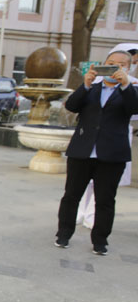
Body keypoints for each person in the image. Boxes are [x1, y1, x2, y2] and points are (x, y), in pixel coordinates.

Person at [55, 51, 137, 256]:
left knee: (105, 200)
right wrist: (85, 84)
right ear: (103, 64)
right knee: (71, 196)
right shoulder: (91, 88)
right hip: (82, 152)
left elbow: (134, 109)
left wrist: (125, 84)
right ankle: (63, 234)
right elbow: (72, 106)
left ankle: (100, 240)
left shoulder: (131, 90)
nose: (115, 67)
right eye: (111, 63)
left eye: (121, 64)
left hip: (112, 154)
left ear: (128, 68)